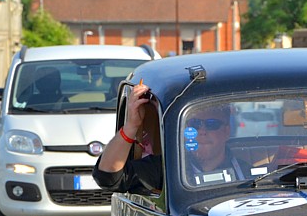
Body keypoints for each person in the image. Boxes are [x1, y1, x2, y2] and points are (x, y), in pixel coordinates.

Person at [93, 81, 249, 193]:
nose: (202, 131)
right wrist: (131, 126)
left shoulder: (245, 171)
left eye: (212, 124)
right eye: (194, 124)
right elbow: (108, 177)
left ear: (226, 131)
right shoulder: (166, 167)